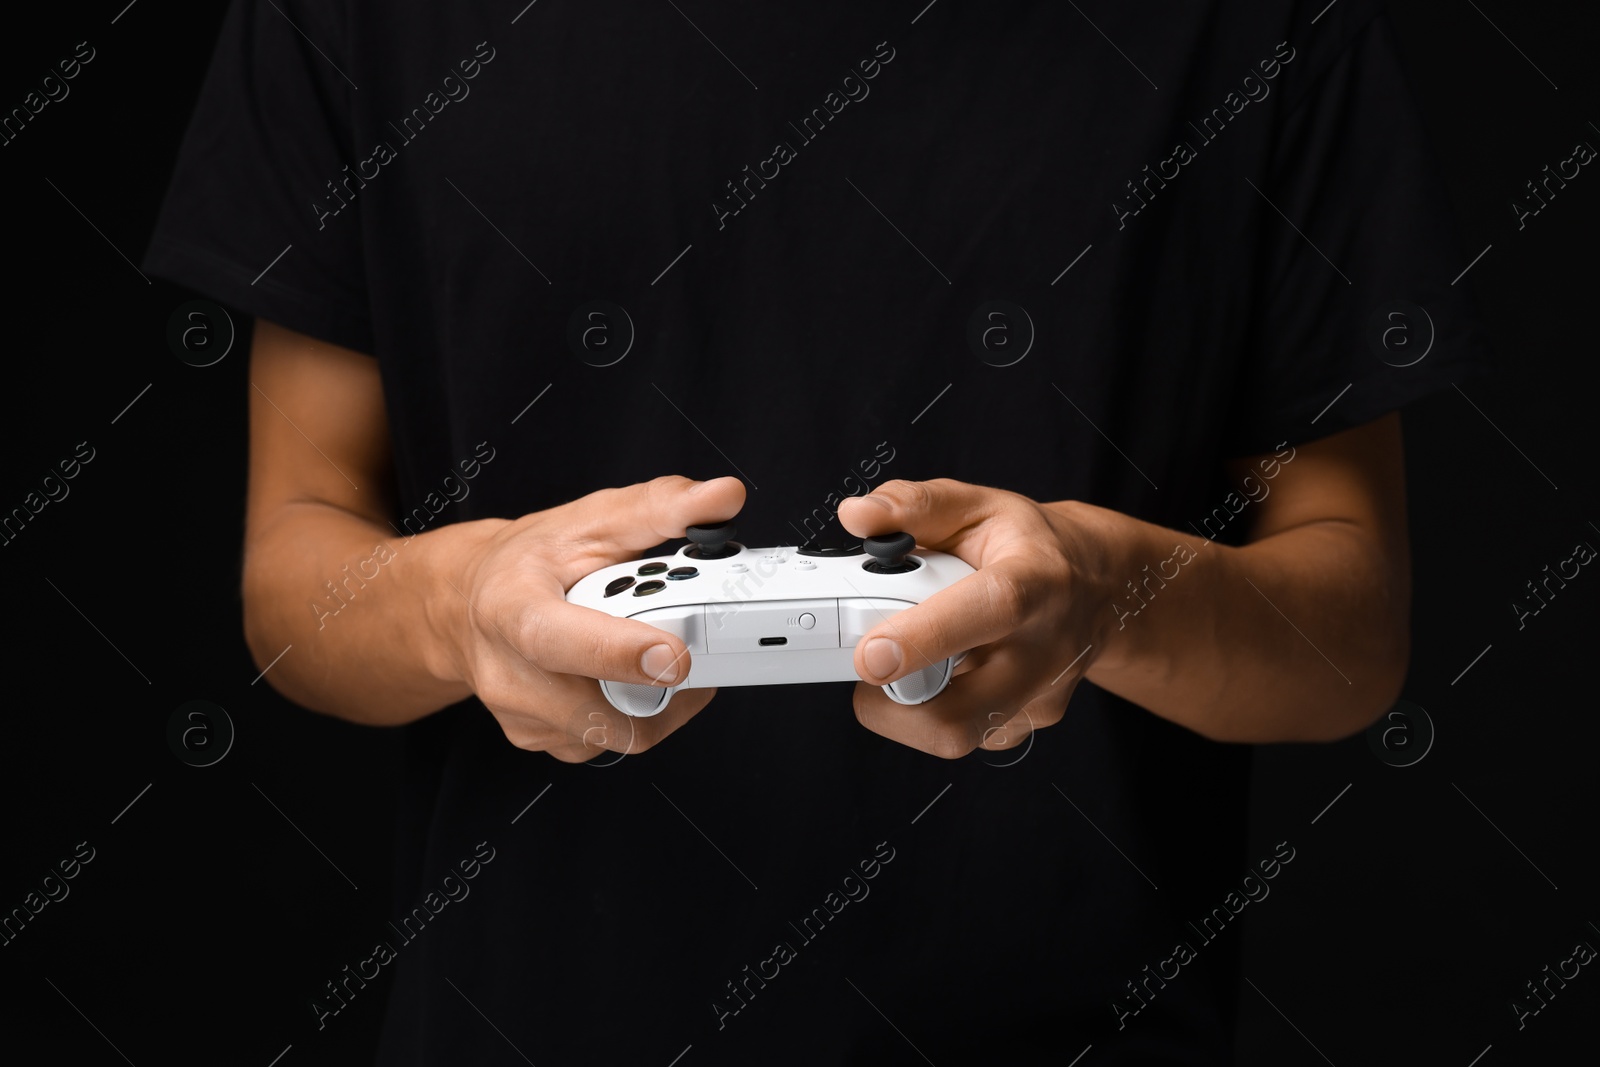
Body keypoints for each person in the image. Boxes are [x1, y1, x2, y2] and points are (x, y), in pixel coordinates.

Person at [144, 0, 1488, 1062]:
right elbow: (296, 561)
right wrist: (461, 606)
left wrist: (1105, 588)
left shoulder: (1264, 21)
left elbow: (1352, 625)